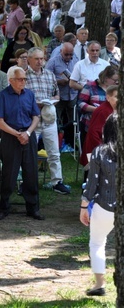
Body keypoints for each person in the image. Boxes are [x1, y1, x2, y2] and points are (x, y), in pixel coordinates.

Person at [0, 66, 43, 220]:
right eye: (20, 79)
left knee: (31, 172)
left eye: (25, 79)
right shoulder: (2, 96)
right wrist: (17, 134)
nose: (23, 82)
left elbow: (36, 116)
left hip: (28, 135)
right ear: (11, 80)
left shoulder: (30, 95)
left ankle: (33, 208)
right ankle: (4, 207)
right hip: (10, 136)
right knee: (9, 173)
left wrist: (27, 133)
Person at [80, 113, 118, 297]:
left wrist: (83, 207)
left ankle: (99, 284)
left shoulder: (99, 152)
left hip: (104, 207)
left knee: (97, 243)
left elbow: (92, 184)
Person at [25, 47, 69, 195]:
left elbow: (57, 95)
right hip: (32, 121)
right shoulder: (23, 76)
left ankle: (57, 181)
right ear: (29, 60)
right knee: (28, 153)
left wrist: (51, 101)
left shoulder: (50, 75)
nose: (39, 61)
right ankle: (26, 183)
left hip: (49, 119)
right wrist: (35, 103)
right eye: (36, 59)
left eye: (41, 58)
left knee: (54, 152)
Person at [81, 85, 116, 170]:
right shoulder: (104, 111)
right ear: (108, 97)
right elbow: (94, 133)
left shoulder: (112, 109)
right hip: (96, 149)